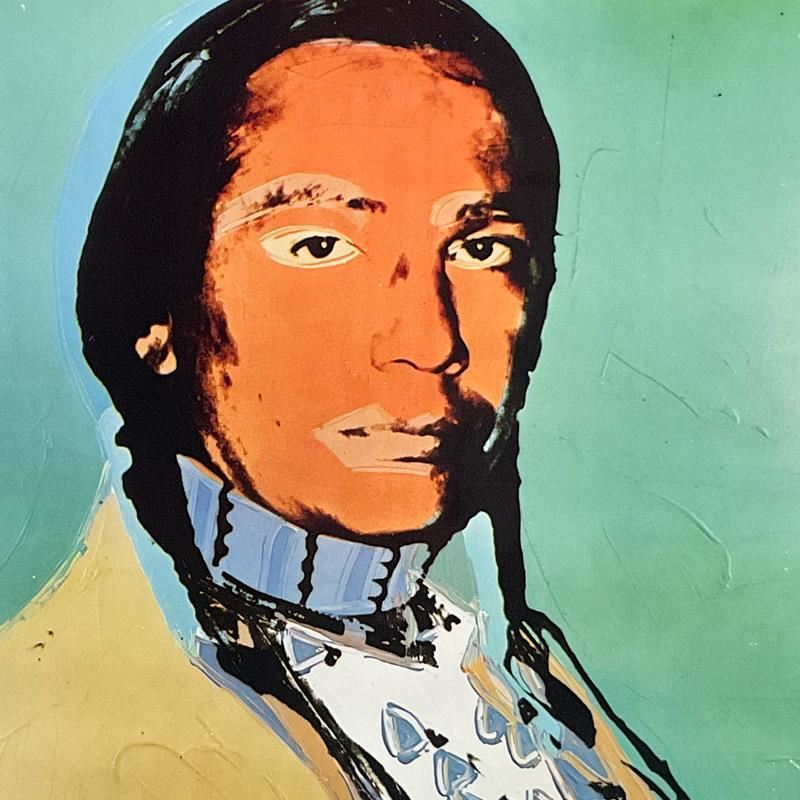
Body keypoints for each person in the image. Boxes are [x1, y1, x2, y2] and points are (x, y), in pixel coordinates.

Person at [1, 1, 691, 798]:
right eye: (320, 245)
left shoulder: (528, 680)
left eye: (481, 248)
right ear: (157, 315)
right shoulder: (56, 733)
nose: (431, 340)